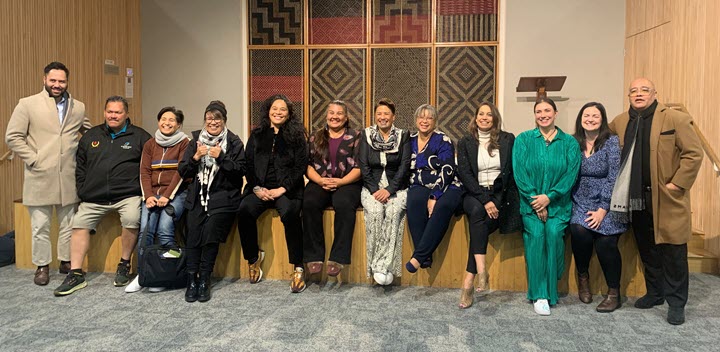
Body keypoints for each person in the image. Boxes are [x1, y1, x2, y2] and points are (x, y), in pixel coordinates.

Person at [609, 78, 703, 325]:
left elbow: (693, 154)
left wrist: (677, 184)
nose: (639, 94)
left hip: (666, 198)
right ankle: (655, 293)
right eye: (634, 91)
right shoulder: (620, 122)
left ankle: (676, 303)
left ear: (654, 94)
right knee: (647, 247)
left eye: (644, 90)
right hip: (635, 199)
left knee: (673, 251)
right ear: (628, 96)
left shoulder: (675, 119)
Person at [53, 96, 152, 296]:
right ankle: (76, 273)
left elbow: (149, 166)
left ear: (126, 114)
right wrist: (83, 190)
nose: (113, 115)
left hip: (127, 195)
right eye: (110, 111)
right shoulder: (91, 136)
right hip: (94, 197)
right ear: (104, 112)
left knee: (132, 217)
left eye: (118, 112)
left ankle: (124, 264)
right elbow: (80, 166)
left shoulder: (140, 137)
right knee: (79, 222)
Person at [5, 62, 91, 285]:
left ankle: (65, 261)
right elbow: (13, 136)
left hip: (68, 176)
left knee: (68, 225)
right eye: (53, 80)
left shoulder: (78, 107)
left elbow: (90, 134)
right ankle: (42, 266)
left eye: (61, 81)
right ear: (44, 79)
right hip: (39, 176)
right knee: (40, 226)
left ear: (67, 82)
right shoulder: (27, 104)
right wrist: (34, 158)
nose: (57, 85)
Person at [513, 98, 581, 315]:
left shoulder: (569, 142)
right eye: (538, 111)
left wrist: (549, 197)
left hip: (559, 205)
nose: (543, 114)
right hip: (530, 205)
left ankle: (552, 284)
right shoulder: (523, 140)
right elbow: (519, 173)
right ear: (534, 115)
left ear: (555, 112)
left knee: (552, 235)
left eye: (547, 110)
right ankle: (541, 294)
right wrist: (536, 200)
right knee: (536, 237)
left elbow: (571, 175)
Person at [238, 94, 308, 293]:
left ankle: (298, 267)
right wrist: (257, 188)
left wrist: (282, 188)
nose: (278, 112)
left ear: (289, 114)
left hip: (287, 189)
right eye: (274, 108)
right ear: (268, 111)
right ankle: (253, 258)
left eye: (283, 109)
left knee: (290, 214)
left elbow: (300, 166)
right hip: (260, 188)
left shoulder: (297, 136)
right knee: (244, 210)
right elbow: (248, 164)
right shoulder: (257, 134)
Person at [456, 102, 522, 309]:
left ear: (495, 118)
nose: (484, 117)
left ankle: (469, 282)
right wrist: (485, 200)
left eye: (489, 114)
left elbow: (508, 172)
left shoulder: (507, 139)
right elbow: (465, 174)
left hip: (499, 194)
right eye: (480, 114)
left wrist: (495, 200)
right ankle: (482, 270)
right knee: (476, 210)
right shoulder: (465, 141)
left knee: (481, 224)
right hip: (474, 193)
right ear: (475, 118)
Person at [178, 101, 245, 302]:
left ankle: (205, 278)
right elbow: (183, 171)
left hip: (224, 198)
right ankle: (192, 279)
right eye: (209, 118)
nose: (213, 122)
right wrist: (196, 157)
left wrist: (222, 157)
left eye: (217, 118)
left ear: (224, 120)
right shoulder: (195, 141)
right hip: (198, 197)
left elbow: (241, 171)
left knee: (210, 234)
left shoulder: (233, 142)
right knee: (193, 234)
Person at [125, 106, 191, 293]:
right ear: (158, 121)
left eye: (172, 120)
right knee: (146, 230)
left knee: (164, 229)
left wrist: (167, 197)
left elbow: (181, 172)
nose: (166, 123)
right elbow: (144, 172)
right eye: (163, 119)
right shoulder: (150, 144)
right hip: (153, 194)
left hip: (177, 194)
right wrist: (149, 196)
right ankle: (143, 274)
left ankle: (165, 274)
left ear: (178, 125)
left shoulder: (185, 143)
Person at [569, 102, 626, 312]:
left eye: (595, 115)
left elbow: (614, 176)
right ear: (580, 118)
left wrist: (603, 208)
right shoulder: (573, 142)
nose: (590, 119)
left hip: (607, 202)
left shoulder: (611, 142)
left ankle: (613, 292)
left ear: (602, 119)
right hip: (579, 199)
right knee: (578, 230)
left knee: (606, 242)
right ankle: (583, 277)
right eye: (586, 115)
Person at [303, 100, 362, 277]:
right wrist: (321, 181)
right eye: (331, 113)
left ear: (346, 117)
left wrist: (340, 182)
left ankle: (338, 257)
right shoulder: (315, 136)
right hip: (320, 181)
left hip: (347, 182)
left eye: (339, 114)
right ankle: (314, 255)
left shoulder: (356, 136)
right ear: (326, 115)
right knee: (309, 202)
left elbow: (360, 167)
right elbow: (307, 165)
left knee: (343, 203)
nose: (334, 117)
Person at [358, 98, 411, 286]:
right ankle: (375, 268)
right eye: (379, 114)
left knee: (393, 212)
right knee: (375, 212)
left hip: (397, 187)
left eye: (386, 114)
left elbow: (404, 166)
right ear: (375, 116)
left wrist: (389, 190)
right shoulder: (366, 134)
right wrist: (375, 190)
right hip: (371, 188)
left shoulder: (403, 135)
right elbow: (363, 165)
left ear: (393, 116)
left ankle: (384, 265)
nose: (382, 117)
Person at [405, 104, 463, 274]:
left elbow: (448, 169)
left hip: (447, 184)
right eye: (421, 117)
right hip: (419, 183)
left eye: (429, 118)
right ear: (416, 120)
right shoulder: (409, 141)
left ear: (435, 121)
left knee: (442, 206)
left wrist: (435, 195)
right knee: (414, 202)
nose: (425, 121)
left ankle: (418, 256)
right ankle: (426, 257)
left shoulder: (443, 140)